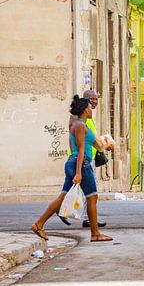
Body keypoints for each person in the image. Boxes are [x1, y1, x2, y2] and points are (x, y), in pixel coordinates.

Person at [31, 96, 113, 243]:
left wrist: (106, 144)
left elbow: (81, 145)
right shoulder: (80, 126)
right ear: (84, 110)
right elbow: (81, 150)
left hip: (73, 162)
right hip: (81, 164)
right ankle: (95, 234)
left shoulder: (78, 125)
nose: (91, 109)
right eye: (89, 106)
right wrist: (79, 172)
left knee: (62, 197)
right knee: (92, 197)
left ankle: (39, 224)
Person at [59, 89, 106, 229]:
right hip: (81, 159)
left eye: (96, 99)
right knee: (91, 194)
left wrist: (102, 144)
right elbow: (78, 144)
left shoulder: (87, 119)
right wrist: (78, 169)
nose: (94, 102)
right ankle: (93, 227)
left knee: (68, 191)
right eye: (92, 100)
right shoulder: (78, 120)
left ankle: (43, 220)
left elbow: (91, 138)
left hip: (85, 158)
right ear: (85, 102)